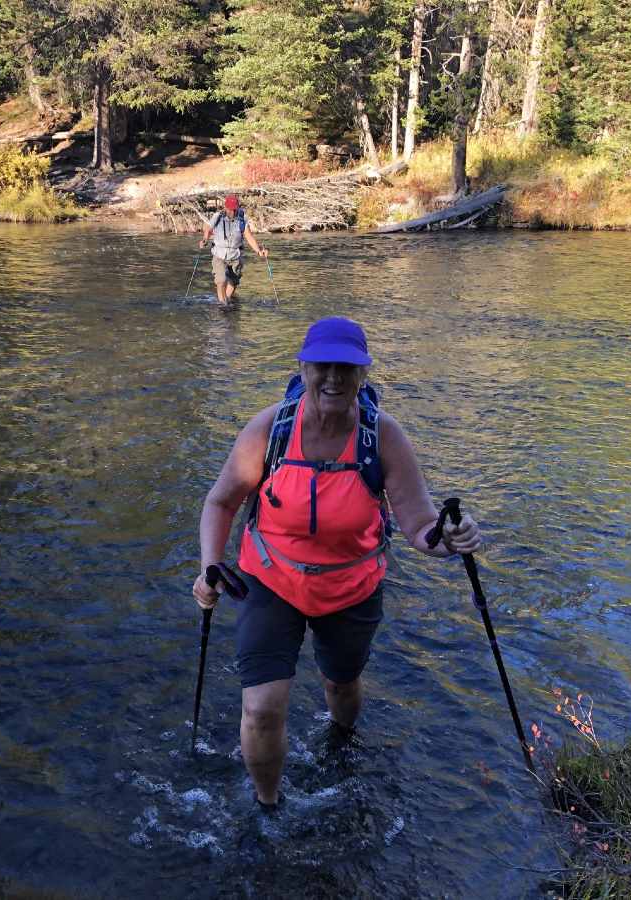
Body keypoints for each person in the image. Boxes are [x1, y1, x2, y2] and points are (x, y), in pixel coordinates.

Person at [192, 316, 481, 811]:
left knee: (341, 685)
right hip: (272, 579)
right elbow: (221, 503)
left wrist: (451, 538)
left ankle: (342, 741)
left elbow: (419, 526)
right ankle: (269, 807)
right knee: (261, 707)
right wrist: (209, 567)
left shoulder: (382, 437)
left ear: (362, 375)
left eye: (346, 368)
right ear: (303, 368)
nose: (333, 377)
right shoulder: (269, 429)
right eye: (322, 365)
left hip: (351, 587)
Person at [199, 194, 268, 306]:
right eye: (229, 209)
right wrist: (205, 240)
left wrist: (259, 251)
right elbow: (208, 228)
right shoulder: (218, 217)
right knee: (221, 280)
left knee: (234, 281)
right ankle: (223, 305)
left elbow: (249, 237)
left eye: (233, 209)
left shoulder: (242, 220)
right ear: (225, 207)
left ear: (237, 208)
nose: (231, 211)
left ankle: (227, 300)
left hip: (235, 255)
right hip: (219, 254)